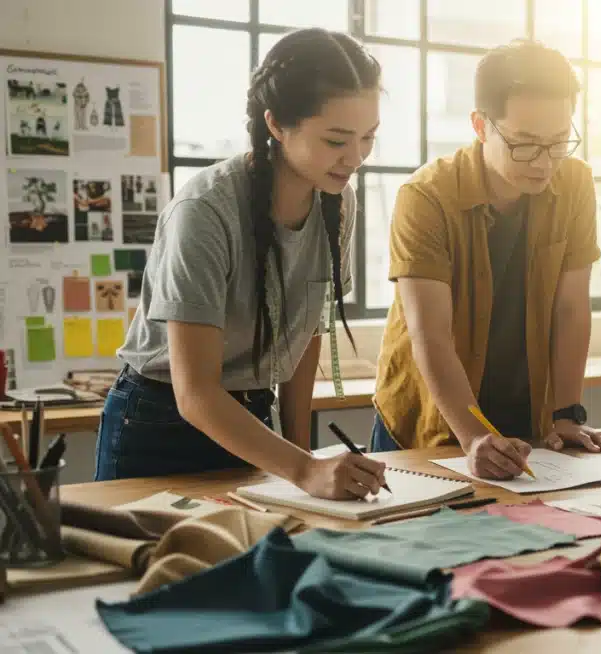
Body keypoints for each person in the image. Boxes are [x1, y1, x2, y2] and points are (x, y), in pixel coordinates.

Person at [96, 28, 387, 500]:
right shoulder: (205, 211)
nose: (356, 158)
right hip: (159, 421)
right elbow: (196, 393)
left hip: (252, 420)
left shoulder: (338, 200)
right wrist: (304, 469)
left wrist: (303, 458)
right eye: (336, 140)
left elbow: (306, 334)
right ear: (277, 124)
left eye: (368, 137)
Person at [371, 39, 601, 479]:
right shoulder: (426, 197)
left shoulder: (575, 182)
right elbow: (431, 333)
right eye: (524, 143)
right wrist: (473, 438)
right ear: (480, 125)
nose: (544, 163)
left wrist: (567, 414)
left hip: (527, 419)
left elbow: (570, 308)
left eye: (559, 142)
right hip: (432, 425)